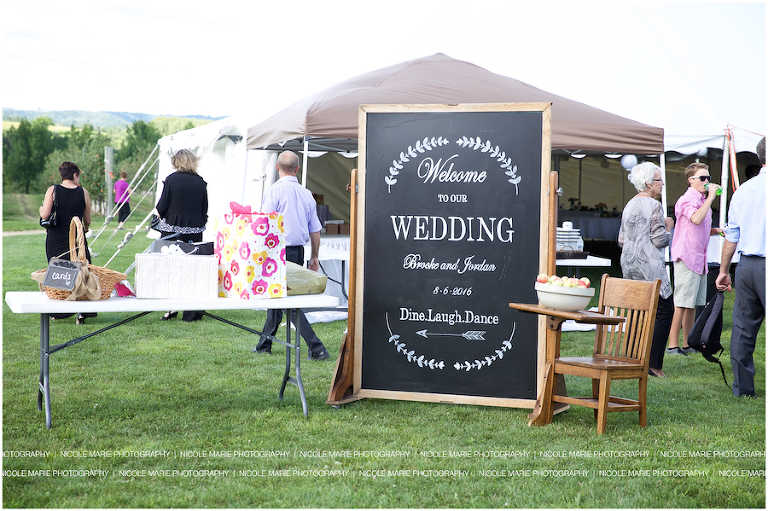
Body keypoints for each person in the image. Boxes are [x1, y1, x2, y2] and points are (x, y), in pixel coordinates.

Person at [252, 151, 330, 361]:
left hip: (277, 251)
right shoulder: (307, 194)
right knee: (279, 298)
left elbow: (265, 224)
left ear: (277, 168)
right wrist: (314, 257)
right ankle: (264, 345)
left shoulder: (273, 191)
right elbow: (315, 229)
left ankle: (317, 347)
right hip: (298, 251)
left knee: (286, 301)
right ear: (297, 169)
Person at [716, 137, 766, 397]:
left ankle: (742, 389)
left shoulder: (743, 190)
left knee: (743, 329)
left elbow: (731, 235)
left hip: (745, 264)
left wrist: (724, 270)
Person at [618, 162, 674, 377]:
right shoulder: (653, 205)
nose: (662, 184)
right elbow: (659, 239)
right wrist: (668, 228)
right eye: (660, 180)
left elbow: (622, 239)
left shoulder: (630, 204)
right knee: (664, 309)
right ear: (649, 183)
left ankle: (631, 358)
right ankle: (653, 364)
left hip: (629, 264)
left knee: (636, 311)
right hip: (649, 266)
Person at [666, 163, 723, 355]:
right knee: (681, 303)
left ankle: (687, 343)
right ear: (691, 180)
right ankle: (672, 345)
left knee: (692, 304)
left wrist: (716, 231)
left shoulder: (701, 200)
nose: (707, 182)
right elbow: (696, 219)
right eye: (702, 178)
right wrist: (711, 198)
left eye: (708, 178)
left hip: (699, 258)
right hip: (687, 256)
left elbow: (699, 228)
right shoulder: (687, 200)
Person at [155, 149, 209, 322]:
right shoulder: (200, 182)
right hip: (195, 230)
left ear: (176, 161)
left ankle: (171, 308)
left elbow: (162, 206)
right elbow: (204, 208)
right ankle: (192, 312)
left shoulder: (171, 180)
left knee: (171, 269)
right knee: (193, 270)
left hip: (172, 230)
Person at [39, 161, 93, 324]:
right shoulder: (83, 192)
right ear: (75, 175)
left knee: (59, 269)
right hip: (76, 236)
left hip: (56, 236)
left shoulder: (53, 190)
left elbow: (45, 215)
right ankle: (83, 310)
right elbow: (87, 219)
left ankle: (60, 310)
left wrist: (42, 209)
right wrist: (86, 228)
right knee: (82, 268)